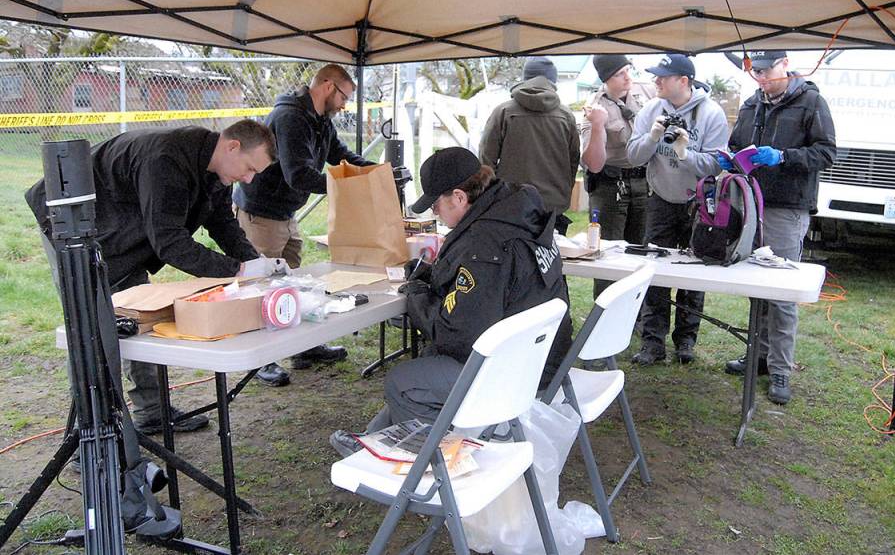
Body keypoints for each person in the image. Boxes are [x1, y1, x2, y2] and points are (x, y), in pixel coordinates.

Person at [26, 120, 282, 434]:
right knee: (92, 327)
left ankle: (152, 411)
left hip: (124, 232)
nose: (249, 178)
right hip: (72, 224)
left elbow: (222, 223)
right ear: (232, 146)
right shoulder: (167, 159)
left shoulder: (216, 168)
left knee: (140, 318)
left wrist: (256, 263)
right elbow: (170, 242)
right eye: (249, 168)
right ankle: (89, 432)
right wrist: (237, 271)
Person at [329, 147, 573, 448]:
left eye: (436, 204)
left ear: (459, 197)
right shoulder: (515, 213)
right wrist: (433, 275)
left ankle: (427, 463)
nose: (434, 212)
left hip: (515, 373)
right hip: (541, 357)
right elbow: (492, 288)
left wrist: (417, 293)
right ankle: (373, 442)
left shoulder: (484, 246)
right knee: (428, 365)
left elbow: (454, 333)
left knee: (404, 381)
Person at [234, 64, 373, 386]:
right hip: (262, 214)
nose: (344, 105)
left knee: (290, 285)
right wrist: (351, 186)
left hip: (286, 214)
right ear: (327, 86)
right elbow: (298, 175)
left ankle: (302, 348)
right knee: (259, 286)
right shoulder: (290, 118)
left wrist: (377, 172)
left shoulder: (320, 120)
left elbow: (340, 156)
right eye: (343, 97)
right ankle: (260, 362)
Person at [719, 50, 836, 404]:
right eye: (756, 72)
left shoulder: (811, 102)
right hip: (752, 204)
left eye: (767, 71)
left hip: (788, 208)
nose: (762, 79)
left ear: (785, 64)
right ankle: (759, 355)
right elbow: (737, 143)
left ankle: (781, 367)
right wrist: (731, 158)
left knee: (782, 292)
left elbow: (827, 153)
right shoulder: (753, 104)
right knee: (758, 285)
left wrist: (783, 157)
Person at [626, 54, 728, 365]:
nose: (656, 81)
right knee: (654, 271)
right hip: (661, 200)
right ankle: (652, 343)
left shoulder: (711, 114)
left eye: (663, 77)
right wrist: (652, 137)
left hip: (699, 204)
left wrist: (685, 153)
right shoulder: (650, 110)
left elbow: (715, 164)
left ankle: (686, 342)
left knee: (693, 272)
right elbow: (633, 156)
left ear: (683, 81)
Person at [479, 56, 581, 235]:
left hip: (510, 205)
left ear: (525, 79)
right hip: (552, 208)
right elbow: (572, 162)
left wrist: (493, 196)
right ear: (553, 82)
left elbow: (486, 160)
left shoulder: (503, 112)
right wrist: (562, 194)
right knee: (549, 260)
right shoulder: (566, 116)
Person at [580, 54, 652, 298]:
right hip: (611, 187)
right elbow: (594, 163)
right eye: (620, 73)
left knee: (640, 250)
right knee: (607, 253)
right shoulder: (595, 107)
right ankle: (605, 311)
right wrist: (598, 125)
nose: (627, 77)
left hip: (644, 182)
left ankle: (637, 313)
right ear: (606, 78)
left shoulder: (644, 96)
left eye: (628, 70)